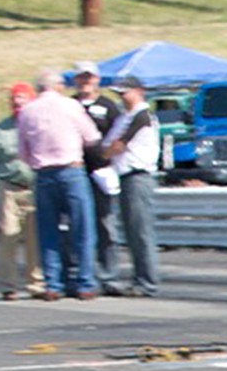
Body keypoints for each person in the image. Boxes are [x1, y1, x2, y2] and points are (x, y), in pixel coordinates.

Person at [14, 68, 102, 300]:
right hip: (71, 169)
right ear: (58, 86)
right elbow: (92, 137)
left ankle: (53, 284)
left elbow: (22, 152)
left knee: (48, 232)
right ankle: (85, 282)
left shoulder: (27, 111)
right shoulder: (71, 106)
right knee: (82, 229)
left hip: (43, 173)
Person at [0, 82, 45, 301]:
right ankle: (8, 285)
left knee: (35, 238)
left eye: (22, 98)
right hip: (9, 188)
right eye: (14, 99)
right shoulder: (0, 130)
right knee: (8, 235)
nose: (17, 102)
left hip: (35, 187)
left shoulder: (40, 126)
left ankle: (37, 283)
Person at [102, 79, 162, 295]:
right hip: (124, 176)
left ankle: (147, 282)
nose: (121, 97)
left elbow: (117, 145)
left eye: (125, 93)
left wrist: (104, 154)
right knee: (131, 231)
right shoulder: (124, 116)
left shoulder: (141, 116)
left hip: (137, 176)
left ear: (139, 92)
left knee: (140, 231)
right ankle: (140, 278)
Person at [70, 62, 124, 283]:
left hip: (100, 172)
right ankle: (78, 271)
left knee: (105, 222)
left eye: (89, 77)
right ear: (75, 80)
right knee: (75, 223)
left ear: (97, 80)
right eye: (81, 78)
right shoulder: (69, 105)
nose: (85, 82)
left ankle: (108, 272)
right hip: (74, 171)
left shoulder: (108, 106)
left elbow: (118, 136)